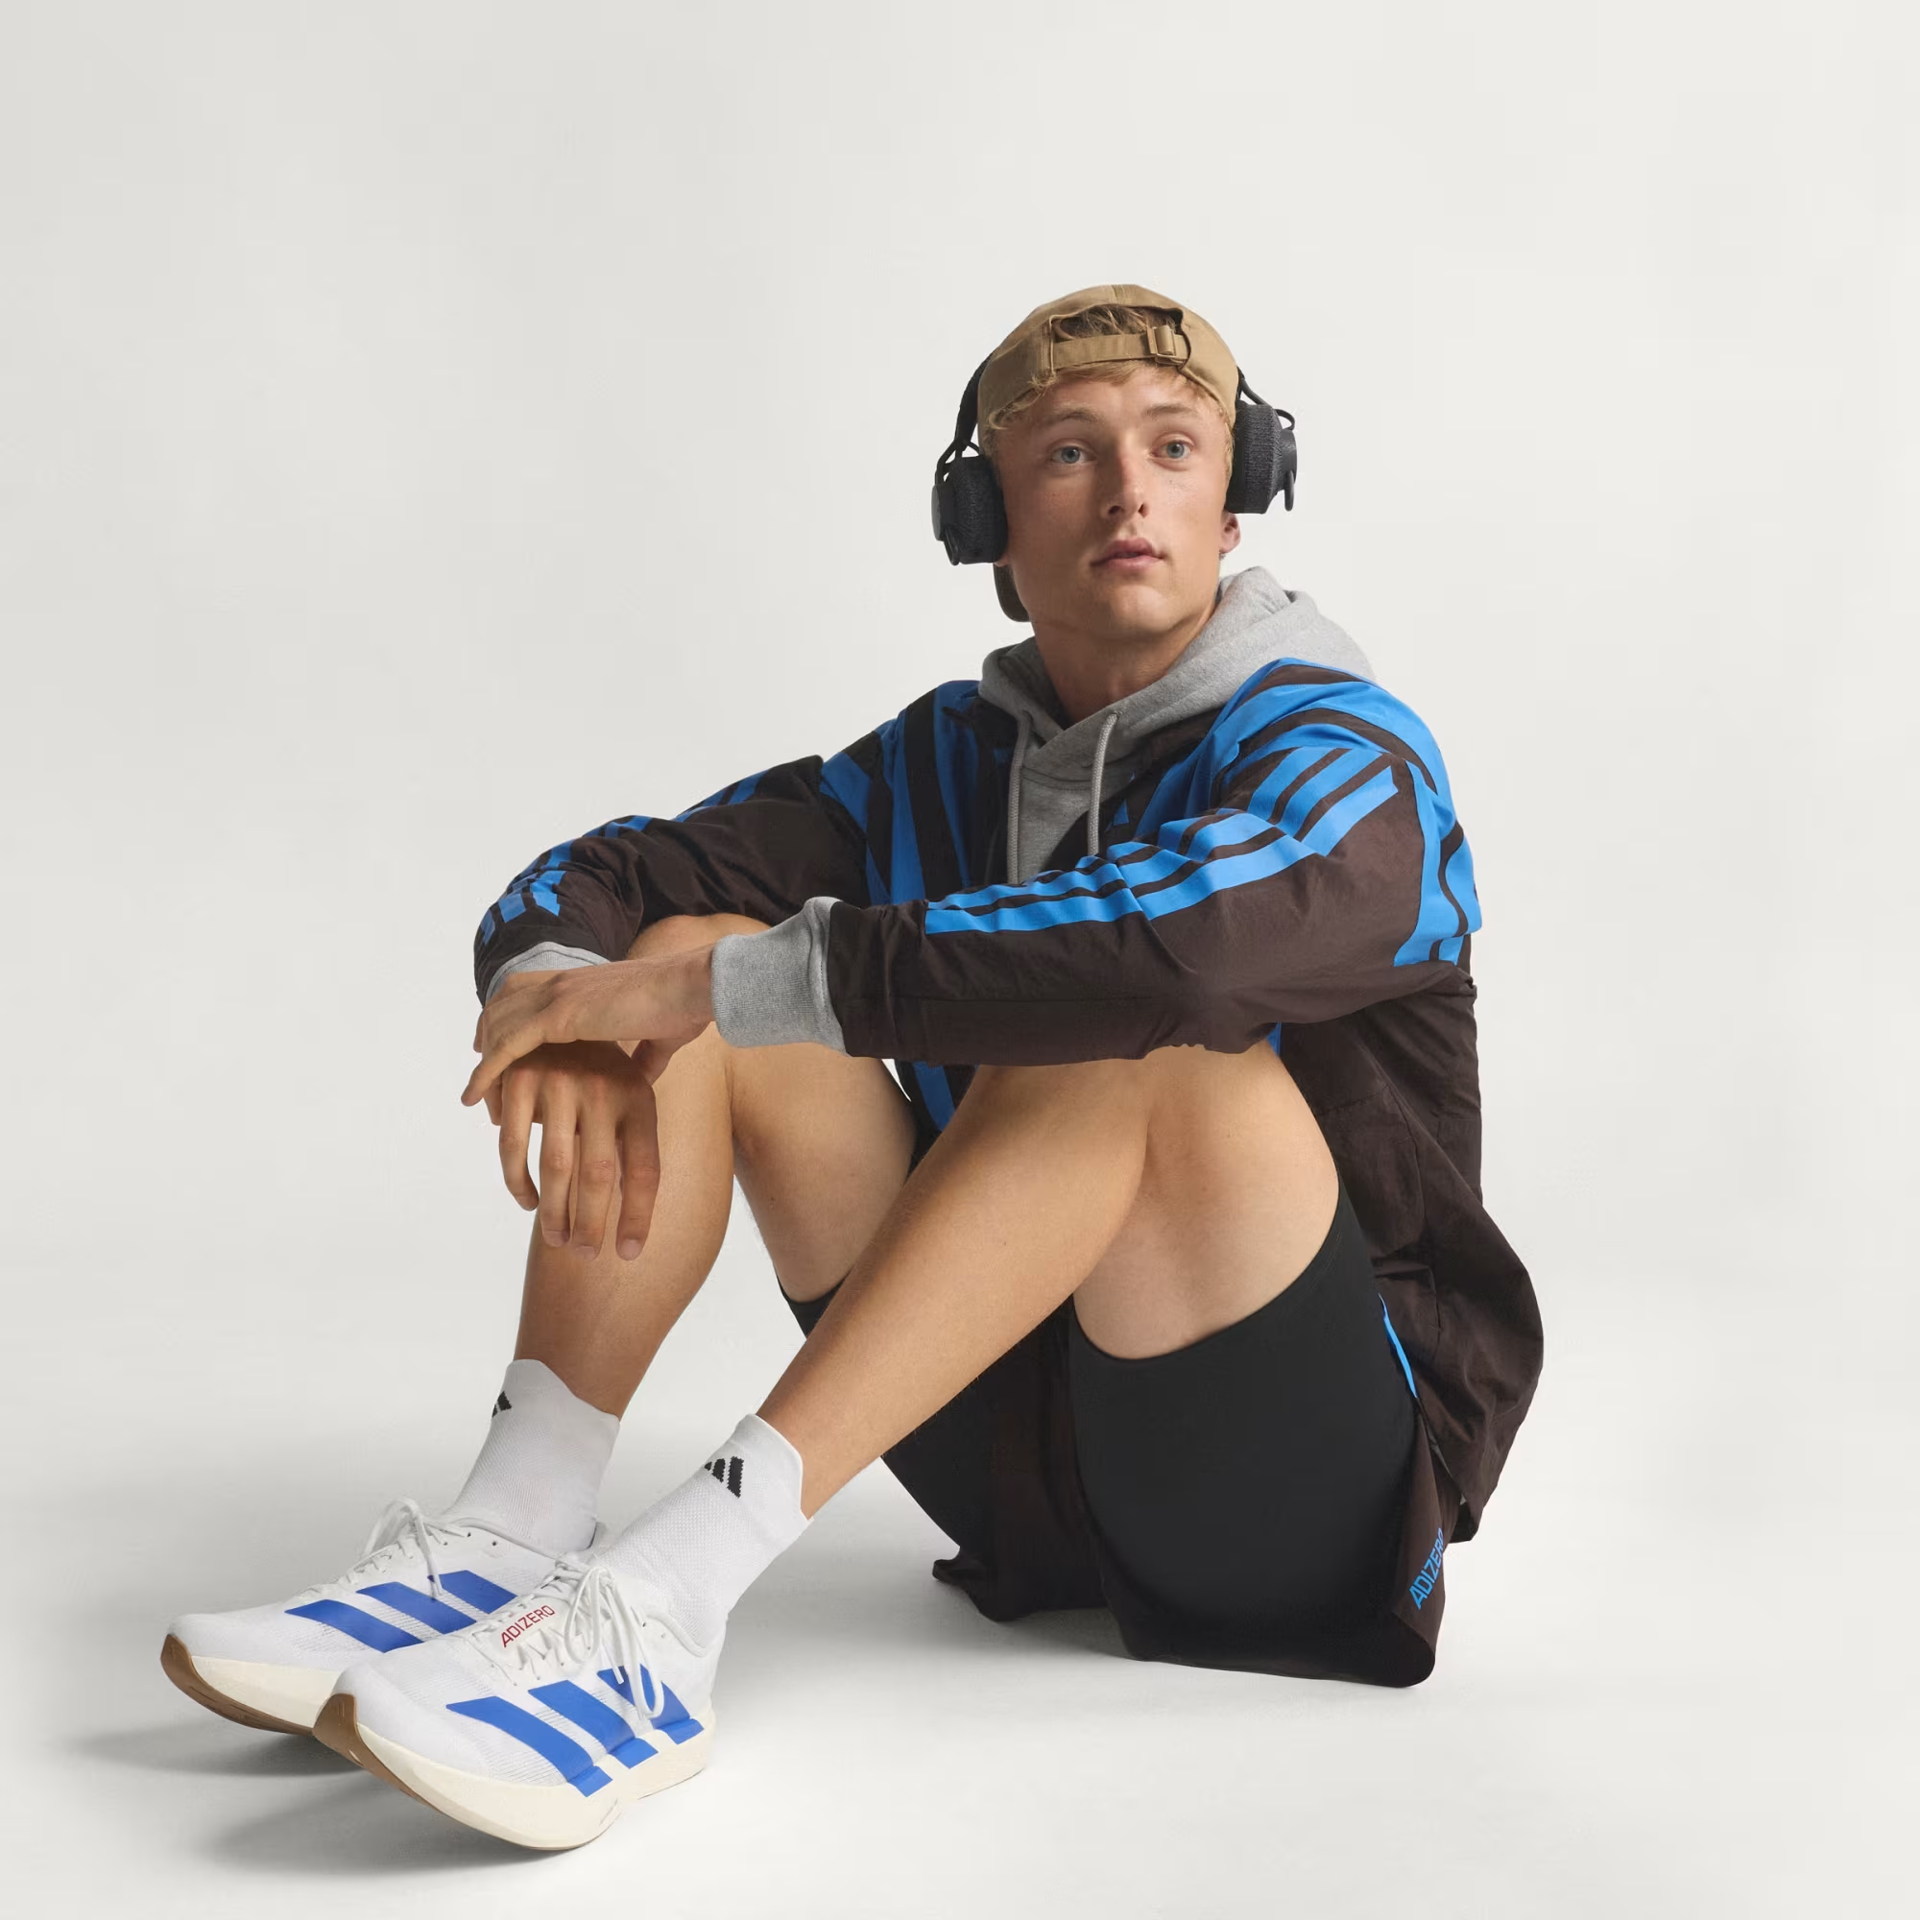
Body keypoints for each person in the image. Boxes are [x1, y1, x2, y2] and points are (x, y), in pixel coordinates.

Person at [163, 284, 1541, 1852]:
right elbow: (627, 877)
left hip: (1300, 1502)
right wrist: (566, 995)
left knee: (1122, 1031)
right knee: (683, 946)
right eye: (1069, 454)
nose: (1129, 490)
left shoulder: (1350, 753)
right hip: (1022, 1471)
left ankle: (667, 1606)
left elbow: (1182, 955)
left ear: (1237, 504)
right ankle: (512, 1528)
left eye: (1176, 447)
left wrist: (748, 982)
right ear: (989, 523)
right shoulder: (941, 764)